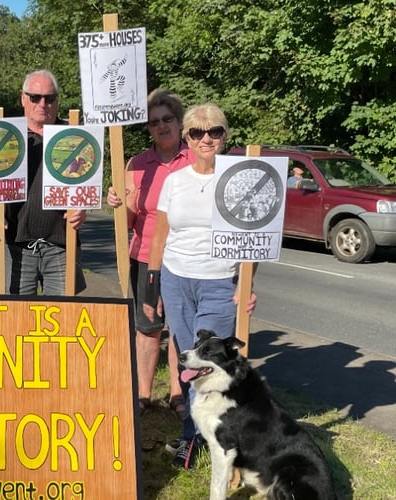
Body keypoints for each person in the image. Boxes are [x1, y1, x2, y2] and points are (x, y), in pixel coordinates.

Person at [145, 103, 257, 470]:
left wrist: (247, 284)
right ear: (187, 138)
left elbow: (255, 235)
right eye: (197, 132)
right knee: (187, 362)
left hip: (219, 282)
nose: (206, 139)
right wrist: (153, 287)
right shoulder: (174, 180)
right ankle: (191, 435)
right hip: (177, 280)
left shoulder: (241, 178)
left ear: (225, 135)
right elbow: (159, 237)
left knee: (213, 365)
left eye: (215, 132)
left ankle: (222, 436)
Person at [106, 89, 192, 419]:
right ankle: (143, 393)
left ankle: (177, 391)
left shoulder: (195, 160)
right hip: (144, 256)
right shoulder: (137, 164)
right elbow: (128, 220)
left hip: (185, 257)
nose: (161, 126)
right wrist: (117, 203)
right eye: (154, 122)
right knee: (148, 327)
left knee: (180, 328)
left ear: (180, 122)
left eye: (167, 119)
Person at [0, 69, 86, 295]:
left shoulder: (73, 136)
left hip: (61, 244)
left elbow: (85, 183)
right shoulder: (4, 137)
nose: (43, 104)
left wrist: (82, 208)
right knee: (17, 321)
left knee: (63, 320)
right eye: (35, 97)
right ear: (23, 98)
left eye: (49, 98)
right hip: (16, 244)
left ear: (57, 101)